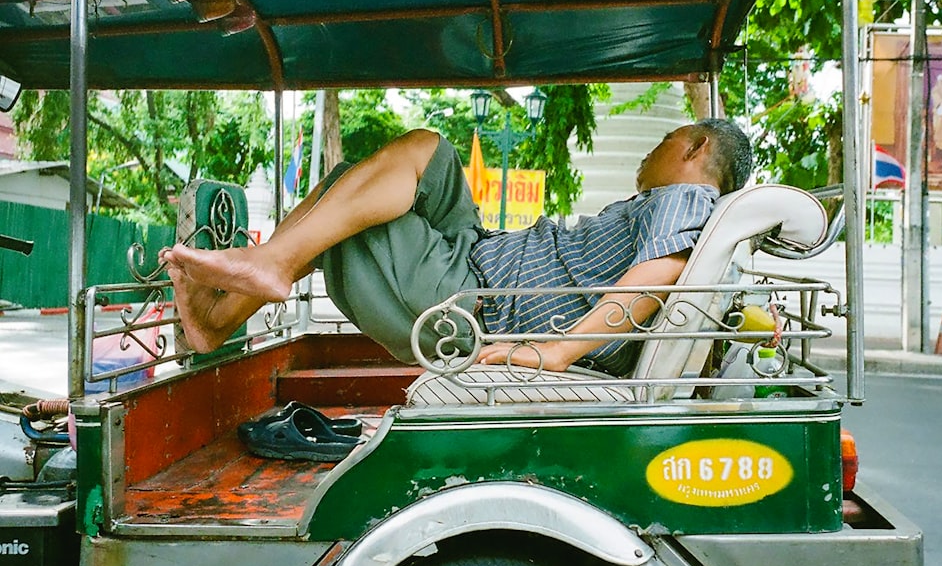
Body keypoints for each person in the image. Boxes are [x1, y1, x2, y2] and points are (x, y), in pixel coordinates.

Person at [162, 118, 753, 376]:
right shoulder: (686, 208)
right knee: (425, 149)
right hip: (479, 256)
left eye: (664, 140)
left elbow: (662, 272)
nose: (651, 153)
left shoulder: (690, 199)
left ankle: (259, 276)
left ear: (696, 147)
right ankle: (256, 280)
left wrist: (558, 353)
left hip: (474, 301)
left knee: (347, 192)